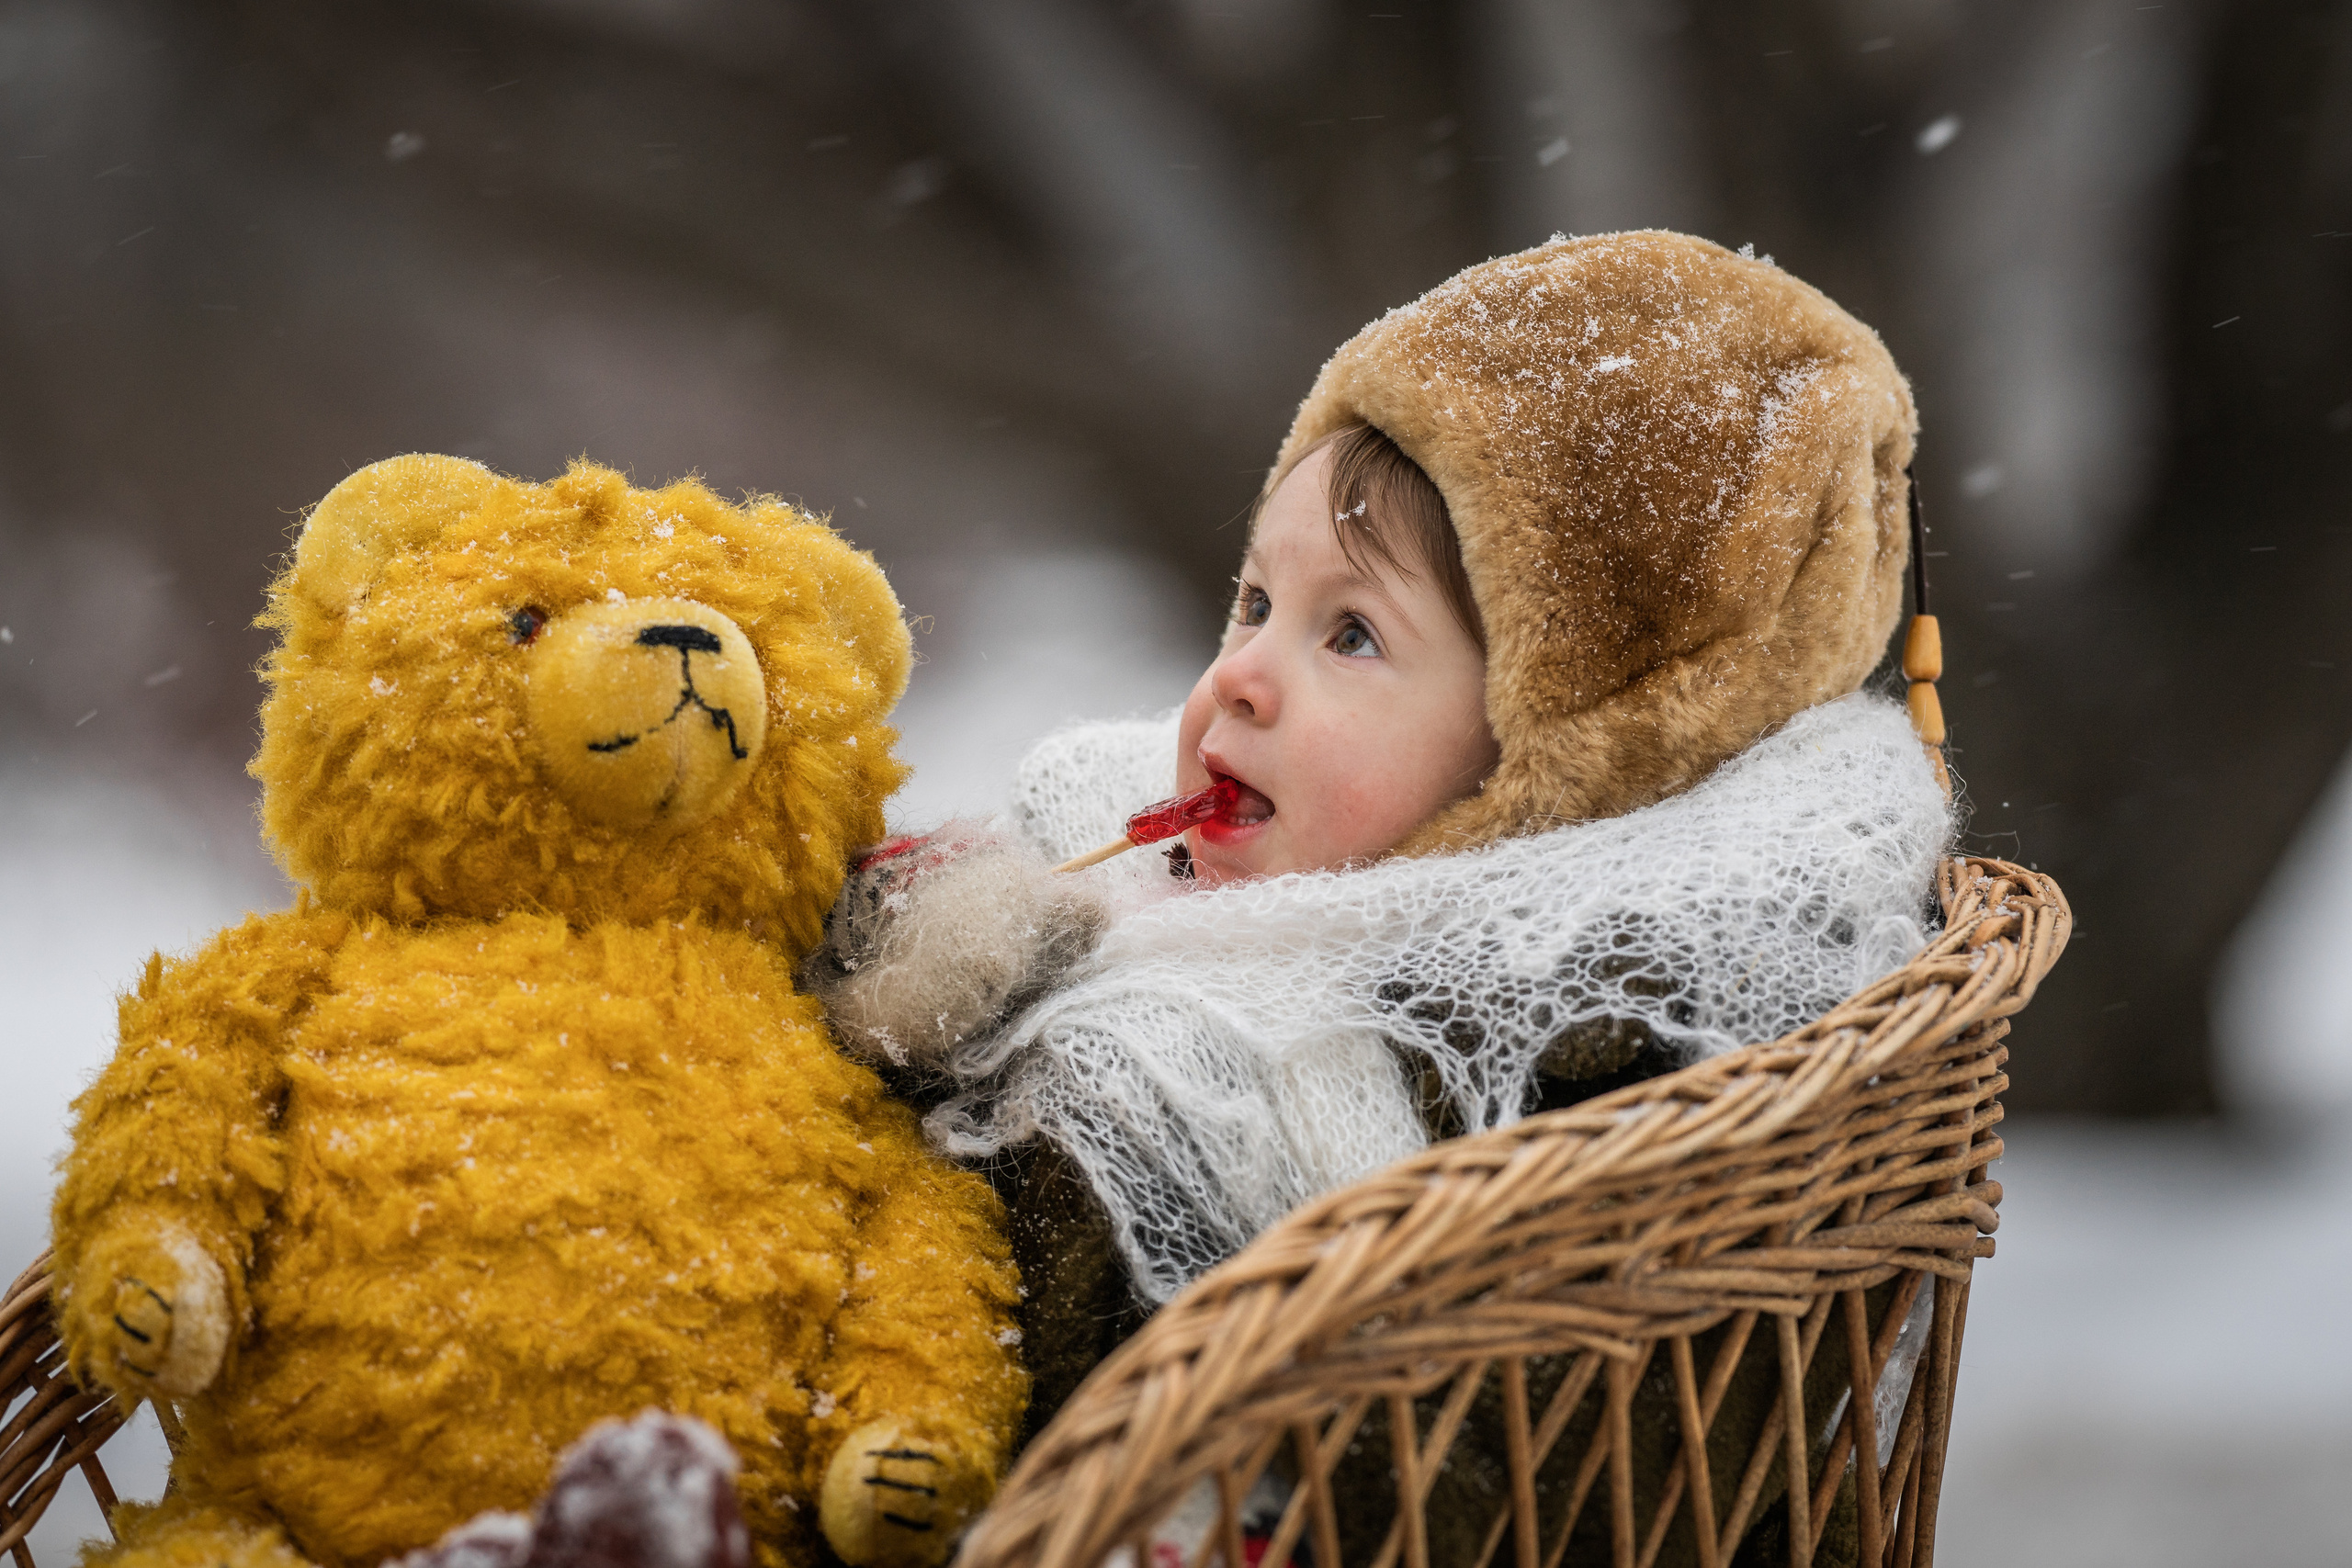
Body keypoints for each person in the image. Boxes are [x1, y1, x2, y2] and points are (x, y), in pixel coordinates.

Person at [801, 231, 1952, 1450]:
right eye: (1252, 604)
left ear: (1537, 773)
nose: (1239, 677)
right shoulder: (1117, 891)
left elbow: (1576, 1448)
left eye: (1349, 634)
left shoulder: (1581, 1070)